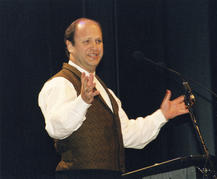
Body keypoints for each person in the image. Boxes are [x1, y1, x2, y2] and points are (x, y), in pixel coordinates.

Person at [38, 17, 189, 179]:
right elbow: (56, 128)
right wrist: (82, 101)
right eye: (86, 41)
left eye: (98, 41)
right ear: (70, 46)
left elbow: (126, 134)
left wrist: (162, 115)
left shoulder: (106, 92)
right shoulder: (60, 83)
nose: (94, 47)